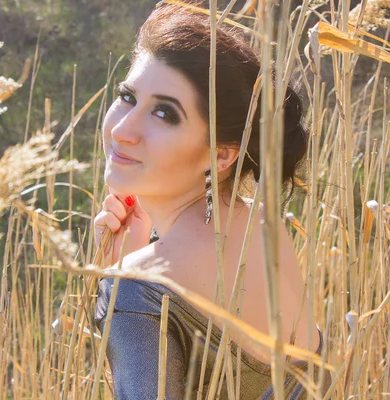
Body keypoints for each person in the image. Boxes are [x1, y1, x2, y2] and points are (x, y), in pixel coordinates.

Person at [92, 3, 331, 399]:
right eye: (128, 97)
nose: (122, 129)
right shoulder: (264, 232)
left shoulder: (137, 289)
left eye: (165, 113)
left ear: (222, 154)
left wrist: (120, 288)